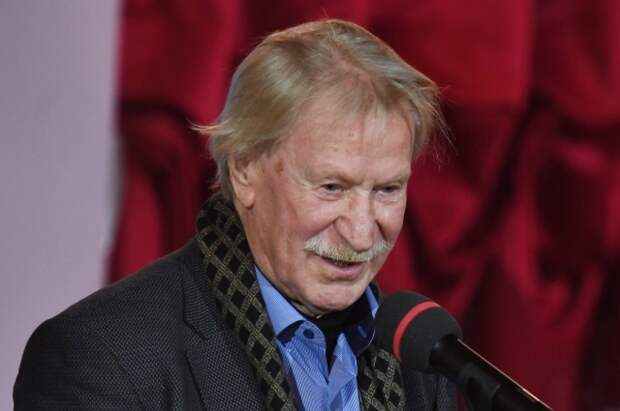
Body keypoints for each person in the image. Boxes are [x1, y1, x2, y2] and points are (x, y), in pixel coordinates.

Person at [14, 19, 455, 410]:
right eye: (331, 188)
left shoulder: (420, 364)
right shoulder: (102, 357)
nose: (361, 233)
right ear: (244, 169)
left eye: (387, 190)